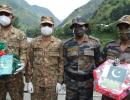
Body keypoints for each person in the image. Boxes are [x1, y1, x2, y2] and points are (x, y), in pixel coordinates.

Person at [63, 16, 102, 100]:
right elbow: (64, 64)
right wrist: (64, 81)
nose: (78, 28)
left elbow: (99, 63)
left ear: (86, 27)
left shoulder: (95, 43)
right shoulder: (66, 44)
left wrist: (98, 81)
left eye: (81, 26)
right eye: (75, 26)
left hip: (87, 83)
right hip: (71, 84)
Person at [26, 16, 64, 100]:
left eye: (49, 25)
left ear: (53, 27)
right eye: (44, 25)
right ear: (40, 26)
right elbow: (29, 62)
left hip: (52, 84)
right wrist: (28, 81)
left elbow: (61, 63)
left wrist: (59, 82)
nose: (46, 27)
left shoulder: (59, 43)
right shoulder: (33, 42)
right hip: (36, 83)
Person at [0, 4, 28, 100]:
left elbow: (24, 51)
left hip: (15, 77)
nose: (3, 16)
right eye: (1, 13)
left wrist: (23, 63)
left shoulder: (20, 34)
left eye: (6, 14)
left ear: (12, 16)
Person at [101, 15, 130, 100]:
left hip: (127, 92)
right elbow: (101, 65)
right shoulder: (109, 46)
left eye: (127, 27)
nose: (123, 31)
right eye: (121, 28)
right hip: (109, 89)